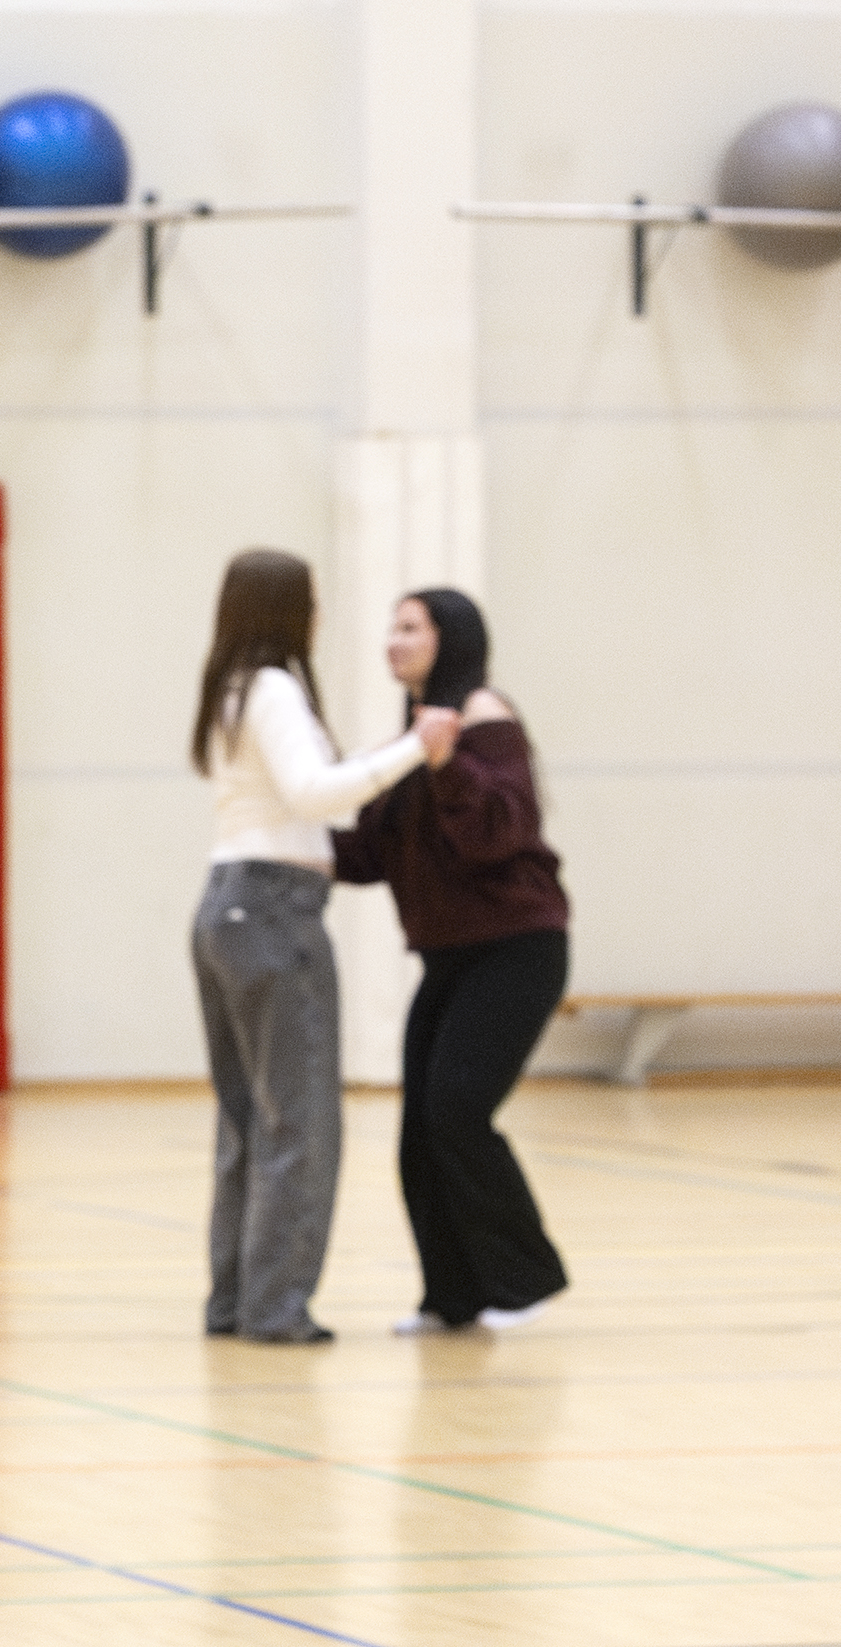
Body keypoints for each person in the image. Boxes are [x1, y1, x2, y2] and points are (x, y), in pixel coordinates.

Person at [185, 549, 449, 1346]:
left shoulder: (230, 687)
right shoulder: (272, 687)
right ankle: (275, 1307)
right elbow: (313, 794)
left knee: (245, 1120)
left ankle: (235, 1300)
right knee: (299, 1121)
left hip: (224, 907)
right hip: (272, 910)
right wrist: (413, 749)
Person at [340, 588, 574, 1334]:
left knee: (460, 1111)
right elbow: (376, 847)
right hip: (449, 958)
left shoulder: (481, 715)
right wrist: (288, 844)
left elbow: (500, 831)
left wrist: (444, 761)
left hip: (516, 949)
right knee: (420, 1130)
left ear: (452, 639)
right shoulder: (420, 733)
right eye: (392, 626)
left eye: (411, 627)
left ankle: (524, 1281)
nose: (393, 640)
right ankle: (453, 1296)